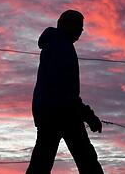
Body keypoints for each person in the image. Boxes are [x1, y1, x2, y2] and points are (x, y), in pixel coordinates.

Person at [26, 9, 104, 173]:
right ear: (66, 24)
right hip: (62, 113)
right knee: (88, 162)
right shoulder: (61, 46)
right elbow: (64, 88)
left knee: (41, 163)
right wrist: (88, 115)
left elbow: (63, 88)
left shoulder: (56, 44)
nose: (80, 32)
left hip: (50, 113)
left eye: (82, 28)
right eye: (78, 26)